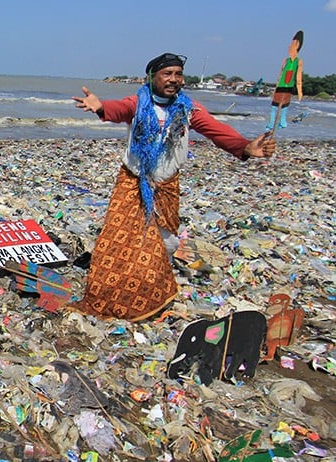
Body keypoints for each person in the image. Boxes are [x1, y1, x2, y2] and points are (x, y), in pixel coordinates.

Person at [71, 52, 275, 322]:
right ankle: (108, 297)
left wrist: (246, 146)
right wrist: (100, 108)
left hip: (166, 184)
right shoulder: (138, 102)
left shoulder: (188, 109)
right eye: (167, 74)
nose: (173, 79)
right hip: (133, 181)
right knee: (116, 241)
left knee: (165, 241)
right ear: (152, 77)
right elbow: (119, 109)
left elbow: (216, 130)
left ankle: (151, 294)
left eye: (178, 74)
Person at [266, 30, 304, 130]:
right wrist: (275, 88)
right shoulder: (285, 60)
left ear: (297, 45)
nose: (289, 46)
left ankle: (282, 122)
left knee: (284, 107)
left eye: (292, 44)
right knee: (274, 107)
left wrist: (300, 91)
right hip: (281, 86)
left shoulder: (298, 61)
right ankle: (271, 124)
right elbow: (280, 75)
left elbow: (298, 77)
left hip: (288, 87)